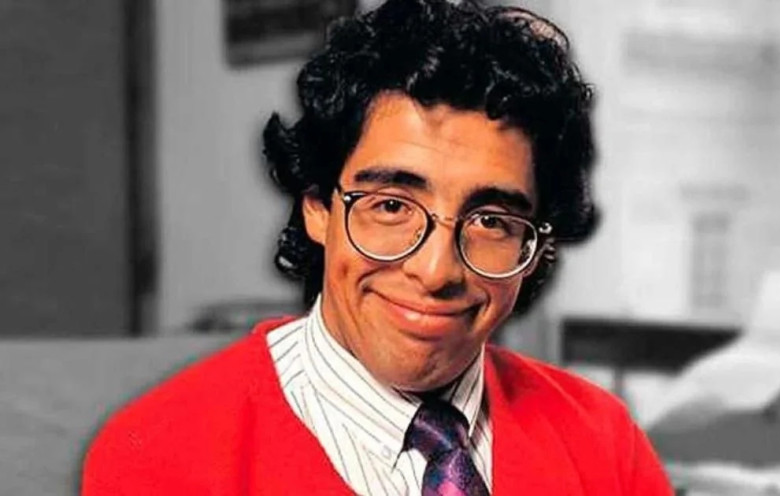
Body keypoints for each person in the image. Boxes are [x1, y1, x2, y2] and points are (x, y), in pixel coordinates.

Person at [82, 0, 673, 494]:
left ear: (536, 246)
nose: (436, 270)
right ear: (317, 205)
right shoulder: (160, 455)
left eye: (491, 221)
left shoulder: (603, 441)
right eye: (391, 206)